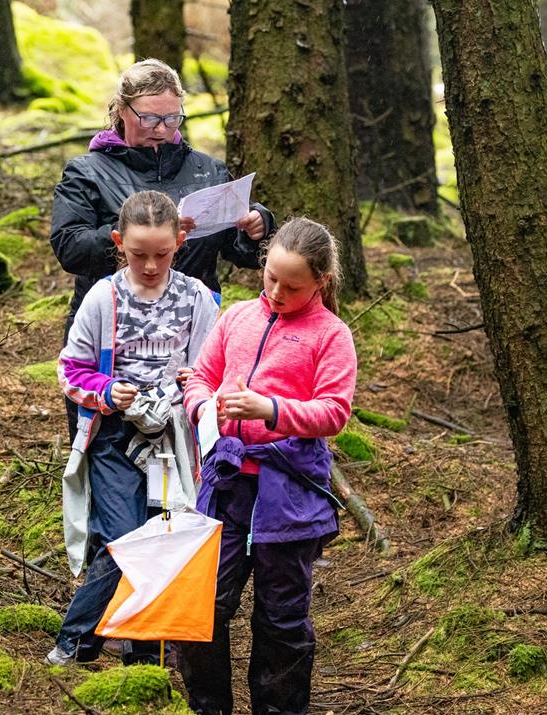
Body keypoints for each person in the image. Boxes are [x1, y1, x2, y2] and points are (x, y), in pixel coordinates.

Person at [177, 218, 358, 715]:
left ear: (320, 281)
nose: (277, 292)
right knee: (204, 605)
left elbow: (334, 412)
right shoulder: (236, 317)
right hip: (227, 486)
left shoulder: (331, 335)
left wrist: (270, 409)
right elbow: (201, 378)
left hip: (290, 492)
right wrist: (203, 407)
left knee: (281, 620)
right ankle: (207, 706)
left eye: (292, 286)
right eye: (271, 277)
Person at [51, 58, 275, 439]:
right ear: (123, 110)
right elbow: (69, 246)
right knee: (106, 445)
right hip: (113, 331)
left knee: (187, 448)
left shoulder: (206, 170)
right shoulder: (87, 171)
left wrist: (257, 227)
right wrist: (139, 237)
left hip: (190, 330)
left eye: (173, 119)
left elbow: (240, 254)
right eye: (150, 119)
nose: (162, 130)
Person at [49, 190, 221, 667]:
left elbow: (215, 368)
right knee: (122, 536)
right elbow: (71, 369)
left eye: (161, 254)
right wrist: (106, 392)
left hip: (171, 441)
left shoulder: (197, 299)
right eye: (138, 254)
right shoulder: (102, 298)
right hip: (113, 438)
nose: (149, 265)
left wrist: (195, 385)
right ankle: (76, 640)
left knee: (162, 534)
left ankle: (143, 651)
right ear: (118, 242)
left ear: (181, 242)